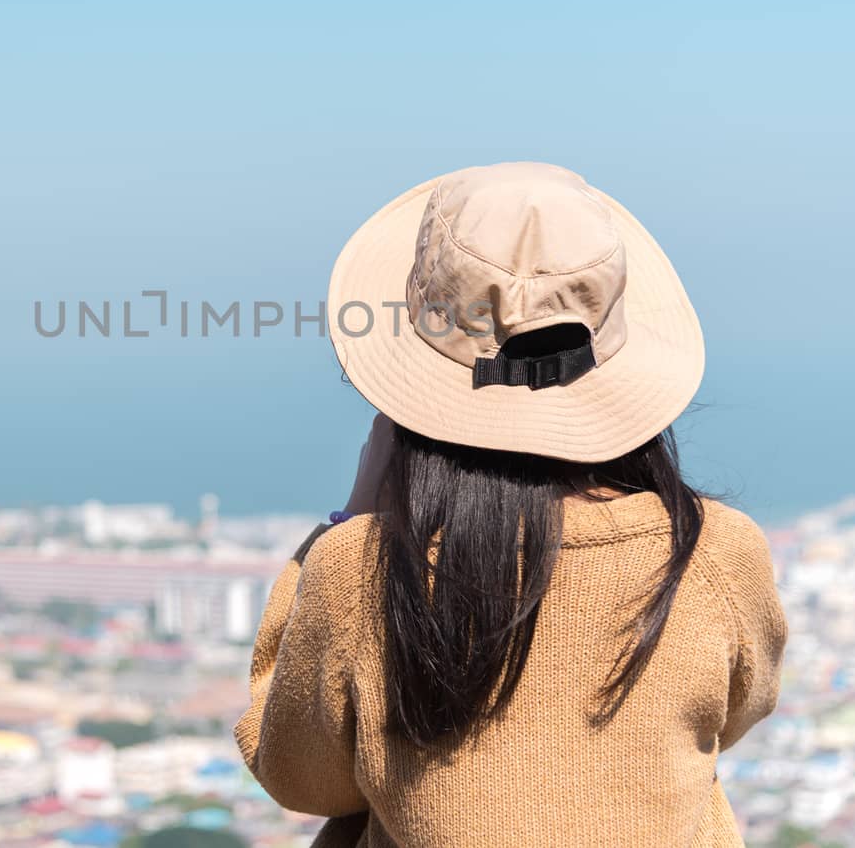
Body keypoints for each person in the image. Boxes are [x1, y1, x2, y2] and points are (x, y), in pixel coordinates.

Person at [235, 162, 787, 847]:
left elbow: (300, 779)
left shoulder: (364, 569)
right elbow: (733, 715)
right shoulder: (712, 552)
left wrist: (346, 525)